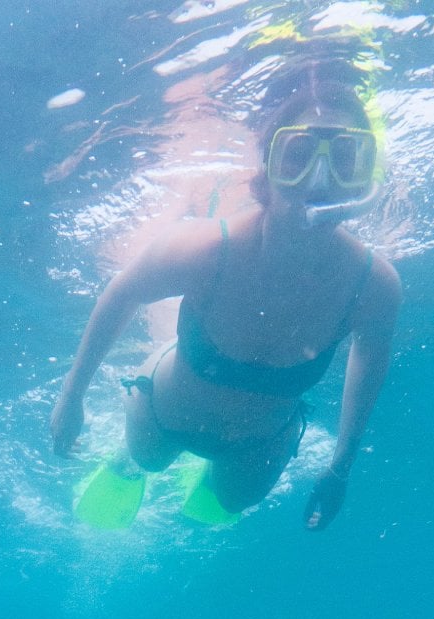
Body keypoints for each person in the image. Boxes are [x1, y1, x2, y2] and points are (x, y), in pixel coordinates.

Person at [49, 58, 402, 530]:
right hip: (163, 416)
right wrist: (71, 396)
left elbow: (371, 362)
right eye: (298, 155)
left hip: (259, 443)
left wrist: (340, 467)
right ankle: (126, 464)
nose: (320, 180)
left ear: (364, 176)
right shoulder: (202, 248)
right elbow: (122, 292)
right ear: (267, 166)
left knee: (234, 502)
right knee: (149, 460)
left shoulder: (373, 286)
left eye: (344, 159)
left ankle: (202, 478)